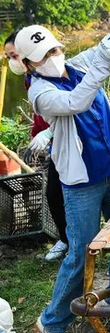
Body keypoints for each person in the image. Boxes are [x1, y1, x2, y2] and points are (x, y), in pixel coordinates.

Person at [14, 24, 110, 333]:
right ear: (27, 65)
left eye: (54, 50)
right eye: (42, 56)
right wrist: (103, 62)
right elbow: (76, 102)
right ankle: (53, 321)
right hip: (82, 183)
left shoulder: (75, 66)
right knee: (81, 252)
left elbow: (98, 50)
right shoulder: (39, 92)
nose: (53, 57)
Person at [4, 32, 69, 262]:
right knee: (56, 193)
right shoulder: (30, 77)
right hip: (51, 141)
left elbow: (69, 106)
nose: (12, 62)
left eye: (14, 56)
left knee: (56, 193)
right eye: (8, 57)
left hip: (65, 140)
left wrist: (49, 132)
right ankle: (68, 239)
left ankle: (70, 241)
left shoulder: (50, 73)